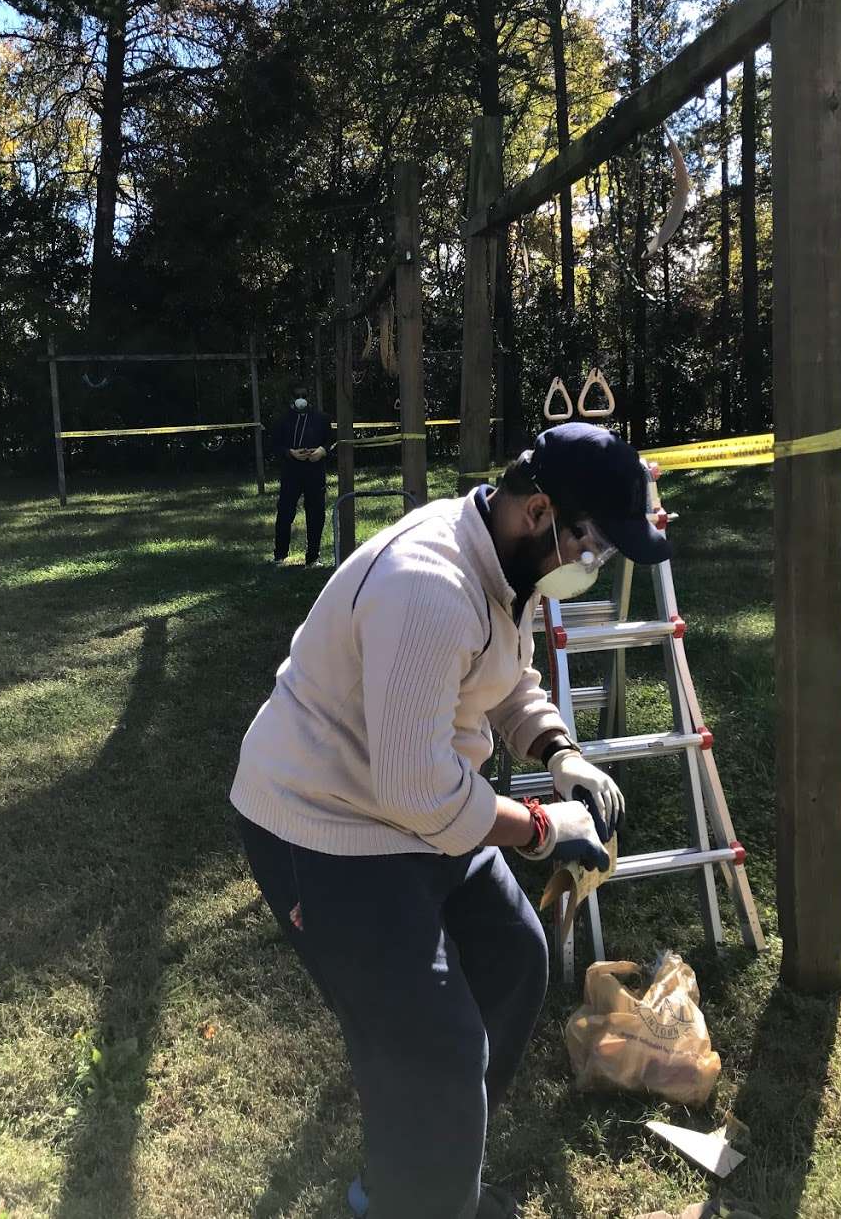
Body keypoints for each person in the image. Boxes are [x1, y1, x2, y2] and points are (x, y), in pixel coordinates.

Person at [230, 422, 670, 1219]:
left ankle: (431, 1173)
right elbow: (418, 791)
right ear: (540, 510)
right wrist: (541, 827)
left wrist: (559, 749)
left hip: (412, 806)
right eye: (596, 544)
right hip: (323, 824)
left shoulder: (507, 564)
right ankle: (407, 1195)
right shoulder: (428, 585)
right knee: (432, 1042)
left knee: (512, 962)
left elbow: (504, 680)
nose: (594, 563)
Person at [269, 384, 334, 567]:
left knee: (316, 514)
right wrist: (290, 453)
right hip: (291, 472)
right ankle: (280, 555)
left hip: (315, 471)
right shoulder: (282, 421)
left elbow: (331, 441)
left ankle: (313, 557)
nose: (301, 399)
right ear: (291, 398)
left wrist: (321, 451)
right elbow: (274, 446)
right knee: (285, 512)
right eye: (297, 395)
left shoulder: (322, 419)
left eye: (303, 395)